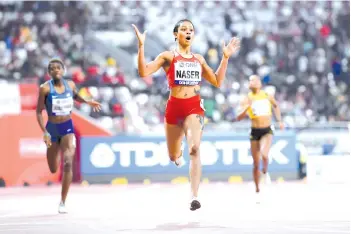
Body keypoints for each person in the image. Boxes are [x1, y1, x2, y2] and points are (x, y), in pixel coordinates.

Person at [132, 19, 240, 210]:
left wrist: (225, 58)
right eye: (184, 29)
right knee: (173, 155)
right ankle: (177, 154)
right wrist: (141, 46)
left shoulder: (199, 59)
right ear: (176, 34)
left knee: (195, 149)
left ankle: (194, 196)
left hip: (193, 107)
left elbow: (217, 81)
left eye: (191, 29)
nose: (188, 32)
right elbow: (143, 72)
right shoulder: (168, 56)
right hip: (174, 108)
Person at [36, 58, 101, 213]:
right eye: (52, 68)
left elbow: (76, 96)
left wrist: (87, 102)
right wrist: (44, 132)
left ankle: (63, 202)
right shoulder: (45, 89)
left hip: (67, 127)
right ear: (49, 73)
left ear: (63, 70)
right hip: (52, 129)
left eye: (58, 68)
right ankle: (55, 153)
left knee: (67, 163)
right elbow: (39, 111)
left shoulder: (70, 85)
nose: (55, 70)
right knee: (53, 168)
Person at [235, 75, 284, 202]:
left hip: (267, 130)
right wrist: (247, 107)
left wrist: (279, 121)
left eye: (255, 80)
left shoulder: (267, 95)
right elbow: (238, 117)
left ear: (260, 84)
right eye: (251, 80)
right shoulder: (247, 98)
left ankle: (265, 171)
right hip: (254, 131)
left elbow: (276, 106)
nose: (253, 82)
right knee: (255, 163)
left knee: (264, 154)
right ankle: (257, 189)